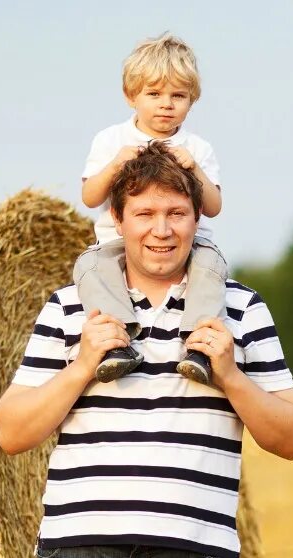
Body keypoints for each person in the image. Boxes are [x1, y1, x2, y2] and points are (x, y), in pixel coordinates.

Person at [0, 142, 293, 558]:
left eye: (176, 214)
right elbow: (11, 431)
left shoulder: (239, 310)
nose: (161, 231)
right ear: (117, 219)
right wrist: (84, 364)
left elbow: (291, 436)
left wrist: (232, 378)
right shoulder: (70, 309)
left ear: (197, 218)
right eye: (144, 214)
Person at [76, 32, 226, 385]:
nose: (166, 104)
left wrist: (195, 170)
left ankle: (199, 347)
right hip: (120, 243)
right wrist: (115, 164)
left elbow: (214, 207)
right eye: (154, 94)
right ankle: (117, 344)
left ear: (193, 99)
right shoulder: (111, 139)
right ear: (131, 96)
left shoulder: (198, 147)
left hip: (190, 244)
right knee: (89, 266)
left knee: (211, 267)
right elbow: (89, 197)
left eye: (178, 96)